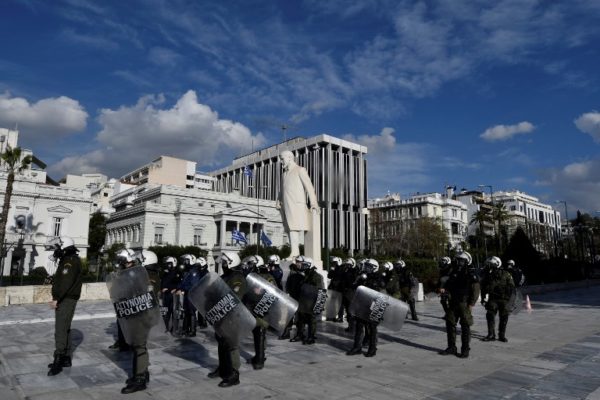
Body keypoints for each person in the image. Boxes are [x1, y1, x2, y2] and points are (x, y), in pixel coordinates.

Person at [118, 249, 160, 394]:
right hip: (137, 315)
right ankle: (141, 373)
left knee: (140, 346)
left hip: (144, 317)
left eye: (140, 260)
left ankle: (140, 379)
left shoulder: (151, 277)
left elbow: (146, 296)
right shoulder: (144, 275)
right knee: (137, 346)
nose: (137, 262)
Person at [207, 251, 247, 388]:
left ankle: (234, 374)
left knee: (231, 344)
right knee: (222, 343)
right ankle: (223, 369)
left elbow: (236, 296)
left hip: (233, 316)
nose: (223, 265)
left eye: (224, 262)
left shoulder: (238, 278)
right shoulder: (225, 276)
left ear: (231, 262)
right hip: (221, 315)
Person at [46, 237, 82, 377]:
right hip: (67, 298)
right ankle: (66, 358)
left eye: (59, 248)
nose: (57, 251)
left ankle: (58, 359)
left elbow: (66, 283)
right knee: (65, 328)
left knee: (60, 329)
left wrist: (56, 299)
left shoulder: (70, 262)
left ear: (65, 248)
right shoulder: (68, 260)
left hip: (66, 299)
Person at [277, 150, 320, 258]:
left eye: (282, 159)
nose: (281, 161)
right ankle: (294, 251)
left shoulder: (300, 170)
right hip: (287, 204)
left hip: (297, 204)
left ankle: (295, 252)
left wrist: (314, 203)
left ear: (290, 158)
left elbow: (309, 187)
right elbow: (282, 190)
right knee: (290, 228)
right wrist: (278, 199)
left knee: (293, 227)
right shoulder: (284, 174)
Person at [439, 252, 480, 358]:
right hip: (453, 302)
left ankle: (465, 349)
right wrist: (445, 291)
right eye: (457, 260)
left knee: (465, 326)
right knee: (450, 324)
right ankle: (451, 347)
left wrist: (471, 304)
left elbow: (475, 290)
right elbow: (448, 284)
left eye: (460, 260)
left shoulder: (471, 273)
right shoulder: (454, 272)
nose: (458, 262)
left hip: (464, 303)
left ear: (465, 261)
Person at [346, 259, 385, 357]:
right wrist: (359, 280)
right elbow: (354, 287)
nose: (366, 268)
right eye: (366, 266)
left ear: (374, 268)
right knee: (359, 327)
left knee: (372, 328)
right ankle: (357, 347)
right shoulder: (363, 276)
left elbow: (380, 289)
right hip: (362, 304)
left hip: (373, 305)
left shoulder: (378, 277)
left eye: (369, 266)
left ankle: (372, 348)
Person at [243, 255, 275, 370]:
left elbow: (273, 293)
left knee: (260, 332)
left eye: (252, 263)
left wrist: (260, 292)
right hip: (252, 309)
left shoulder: (267, 277)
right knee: (257, 334)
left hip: (262, 310)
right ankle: (259, 355)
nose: (250, 266)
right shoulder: (251, 277)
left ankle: (260, 360)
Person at [290, 255, 324, 345]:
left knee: (311, 319)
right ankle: (300, 334)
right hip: (303, 300)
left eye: (304, 264)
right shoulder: (306, 274)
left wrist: (318, 304)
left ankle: (311, 336)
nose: (302, 266)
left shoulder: (316, 276)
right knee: (300, 318)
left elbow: (320, 290)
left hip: (311, 301)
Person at [481, 256, 515, 343]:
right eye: (488, 264)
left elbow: (512, 288)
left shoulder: (506, 274)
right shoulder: (487, 275)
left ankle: (501, 335)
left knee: (504, 317)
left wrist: (512, 302)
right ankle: (491, 334)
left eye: (491, 264)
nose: (489, 266)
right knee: (490, 315)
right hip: (493, 299)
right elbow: (483, 287)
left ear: (497, 264)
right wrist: (483, 298)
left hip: (504, 300)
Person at [177, 256, 209, 337]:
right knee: (186, 311)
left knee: (191, 312)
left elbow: (193, 284)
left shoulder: (194, 272)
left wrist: (182, 288)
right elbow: (184, 282)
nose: (186, 262)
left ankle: (192, 330)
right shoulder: (190, 271)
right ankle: (185, 329)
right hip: (188, 293)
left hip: (192, 294)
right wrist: (179, 287)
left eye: (187, 260)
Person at [159, 256, 181, 333]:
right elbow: (162, 283)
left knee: (174, 312)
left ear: (173, 264)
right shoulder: (166, 273)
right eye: (167, 264)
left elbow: (178, 284)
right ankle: (165, 328)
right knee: (165, 312)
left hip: (173, 296)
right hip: (165, 296)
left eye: (169, 264)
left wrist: (168, 289)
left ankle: (174, 329)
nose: (167, 266)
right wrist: (162, 289)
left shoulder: (177, 272)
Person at [341, 257, 358, 332]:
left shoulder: (355, 272)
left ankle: (353, 327)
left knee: (351, 312)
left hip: (351, 294)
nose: (347, 266)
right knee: (348, 311)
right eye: (347, 265)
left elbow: (353, 283)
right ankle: (350, 326)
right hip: (345, 293)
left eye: (349, 265)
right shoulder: (345, 271)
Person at [326, 256, 345, 322]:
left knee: (340, 304)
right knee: (332, 303)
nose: (334, 263)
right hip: (333, 287)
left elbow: (340, 277)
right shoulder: (334, 268)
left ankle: (340, 317)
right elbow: (329, 276)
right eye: (333, 262)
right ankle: (331, 316)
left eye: (335, 262)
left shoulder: (342, 268)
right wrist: (332, 270)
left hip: (340, 288)